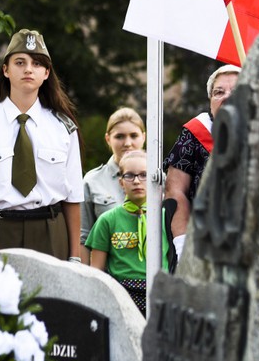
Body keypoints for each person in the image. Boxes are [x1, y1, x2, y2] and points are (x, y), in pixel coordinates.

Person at [0, 29, 83, 262]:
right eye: (20, 62)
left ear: (46, 73)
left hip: (49, 232)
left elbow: (73, 196)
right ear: (5, 70)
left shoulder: (63, 127)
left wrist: (75, 256)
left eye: (36, 64)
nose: (28, 69)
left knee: (50, 299)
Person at [163, 64, 240, 251]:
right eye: (218, 92)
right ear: (210, 101)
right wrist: (182, 243)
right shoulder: (195, 134)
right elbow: (176, 191)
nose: (227, 97)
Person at [85, 150, 169, 313]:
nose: (137, 181)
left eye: (144, 174)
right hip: (122, 296)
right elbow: (97, 271)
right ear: (121, 182)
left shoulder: (166, 217)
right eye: (130, 175)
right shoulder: (107, 220)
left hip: (161, 294)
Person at [80, 108, 146, 264]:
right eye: (120, 136)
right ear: (108, 139)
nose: (127, 143)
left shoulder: (158, 180)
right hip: (107, 274)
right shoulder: (92, 181)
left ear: (144, 137)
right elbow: (83, 237)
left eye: (134, 136)